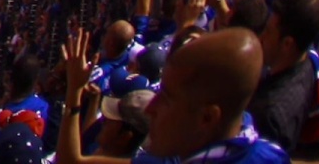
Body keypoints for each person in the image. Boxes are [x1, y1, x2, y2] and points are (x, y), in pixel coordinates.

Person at [55, 25, 284, 164]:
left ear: (207, 118)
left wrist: (74, 93)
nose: (151, 108)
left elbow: (71, 161)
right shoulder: (273, 155)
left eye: (166, 99)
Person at [247, 0, 319, 152]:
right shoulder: (308, 62)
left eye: (268, 32)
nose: (261, 38)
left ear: (287, 44)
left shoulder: (268, 115)